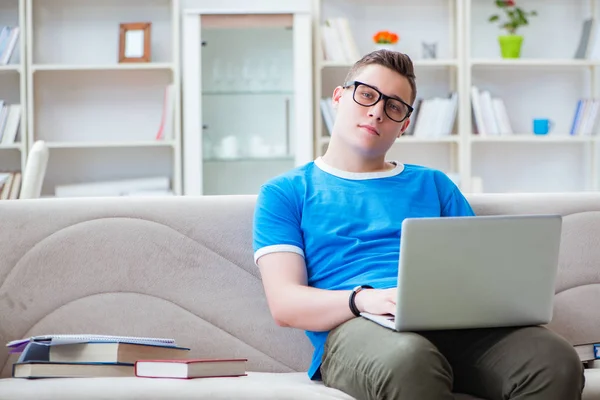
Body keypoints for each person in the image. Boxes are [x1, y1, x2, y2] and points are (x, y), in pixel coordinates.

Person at [252, 49, 584, 400]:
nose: (377, 111)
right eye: (366, 94)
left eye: (394, 106)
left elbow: (479, 273)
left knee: (554, 358)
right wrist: (363, 300)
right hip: (357, 328)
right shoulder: (286, 192)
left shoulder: (434, 185)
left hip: (455, 327)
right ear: (338, 97)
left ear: (404, 124)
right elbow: (285, 304)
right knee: (411, 360)